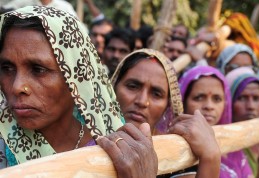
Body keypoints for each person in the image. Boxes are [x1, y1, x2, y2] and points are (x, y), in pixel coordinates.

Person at [0, 6, 158, 177]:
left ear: (76, 77)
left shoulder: (119, 154)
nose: (17, 86)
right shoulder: (4, 143)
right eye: (7, 68)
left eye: (38, 69)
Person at [111, 48, 221, 178]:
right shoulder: (84, 139)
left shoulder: (175, 154)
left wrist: (211, 156)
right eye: (133, 86)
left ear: (167, 106)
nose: (142, 101)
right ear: (113, 88)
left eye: (156, 94)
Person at [179, 66, 254, 178]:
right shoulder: (177, 149)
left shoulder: (234, 148)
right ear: (183, 101)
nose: (209, 106)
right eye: (199, 97)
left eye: (217, 99)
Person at [226, 67, 259, 178]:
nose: (251, 106)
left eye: (256, 98)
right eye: (242, 98)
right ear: (230, 101)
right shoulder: (220, 142)